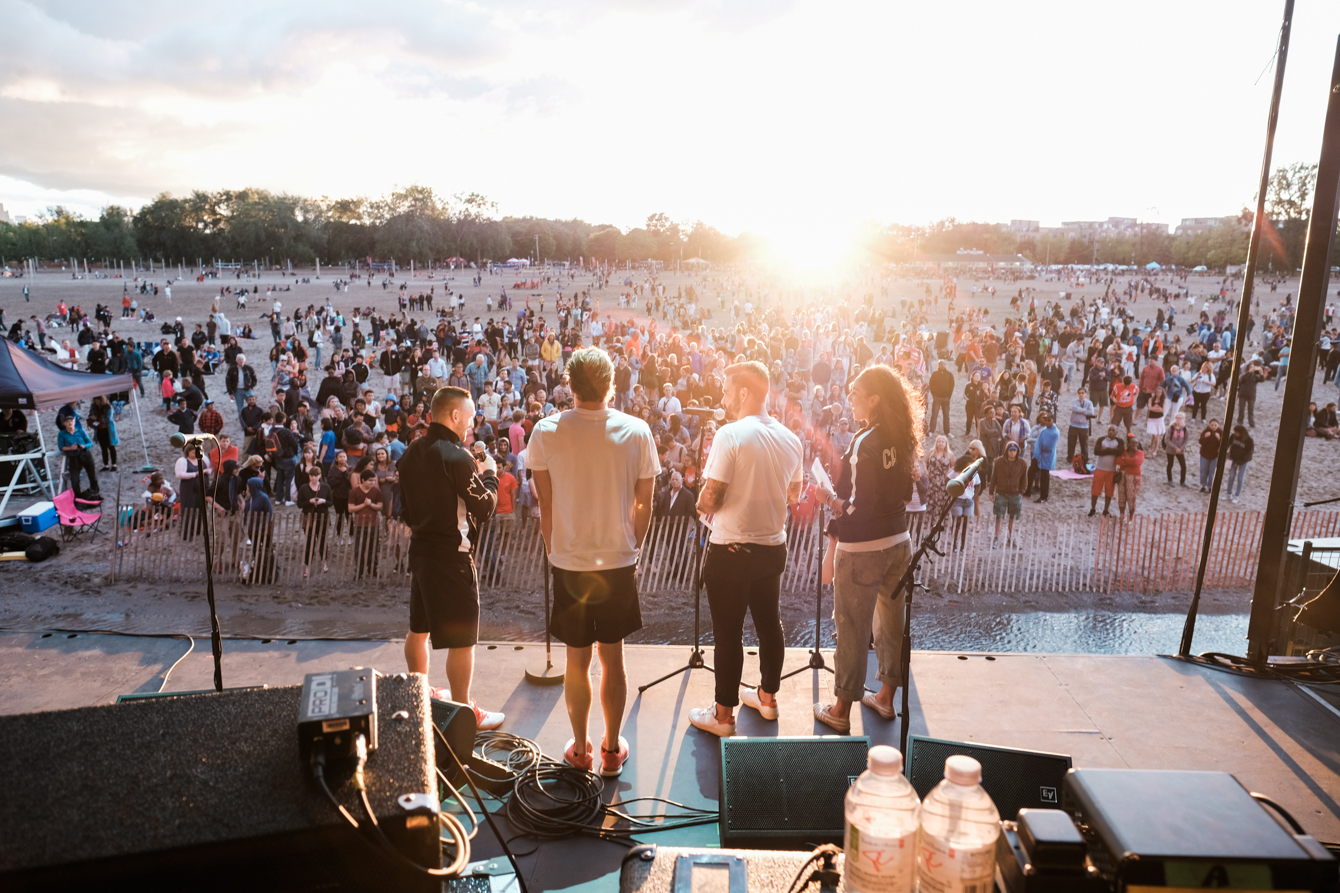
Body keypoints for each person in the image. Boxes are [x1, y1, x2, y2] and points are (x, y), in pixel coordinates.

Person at [528, 348, 659, 777]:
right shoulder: (637, 430)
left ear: (569, 384)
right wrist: (632, 548)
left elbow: (544, 502)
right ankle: (609, 750)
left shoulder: (545, 432)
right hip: (618, 560)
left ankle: (580, 751)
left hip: (569, 560)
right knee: (614, 658)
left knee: (576, 660)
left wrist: (554, 549)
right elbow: (645, 504)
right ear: (612, 384)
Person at [683, 361, 803, 738]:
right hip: (772, 547)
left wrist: (700, 500)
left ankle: (722, 717)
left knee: (728, 633)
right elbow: (794, 495)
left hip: (731, 550)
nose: (723, 397)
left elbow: (710, 499)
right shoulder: (791, 439)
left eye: (727, 389)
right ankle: (767, 699)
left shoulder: (729, 435)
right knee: (770, 625)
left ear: (745, 392)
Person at [812, 365, 922, 733]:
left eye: (856, 393)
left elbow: (859, 507)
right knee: (892, 623)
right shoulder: (903, 436)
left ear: (874, 399)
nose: (850, 399)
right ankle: (886, 698)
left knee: (852, 626)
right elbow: (905, 494)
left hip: (863, 550)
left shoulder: (865, 442)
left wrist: (829, 498)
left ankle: (841, 709)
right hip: (899, 542)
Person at [397, 385, 504, 731]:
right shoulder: (456, 456)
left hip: (422, 554)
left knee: (418, 630)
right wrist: (490, 474)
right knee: (462, 641)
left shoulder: (410, 451)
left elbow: (406, 510)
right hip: (453, 559)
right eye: (469, 418)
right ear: (455, 416)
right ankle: (463, 715)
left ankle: (420, 697)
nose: (471, 426)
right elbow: (485, 508)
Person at [297, 464, 332, 576]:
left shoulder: (325, 487)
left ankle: (324, 563)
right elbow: (299, 504)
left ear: (320, 476)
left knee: (323, 541)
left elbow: (331, 502)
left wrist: (323, 501)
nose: (313, 478)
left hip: (323, 517)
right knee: (309, 542)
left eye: (316, 475)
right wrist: (310, 502)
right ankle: (307, 566)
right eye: (311, 475)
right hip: (309, 518)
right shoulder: (304, 488)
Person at [989, 442, 1026, 547]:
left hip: (1015, 494)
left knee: (1013, 517)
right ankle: (996, 537)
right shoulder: (999, 461)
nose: (1012, 453)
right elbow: (994, 478)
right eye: (1011, 450)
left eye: (1014, 450)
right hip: (1001, 493)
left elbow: (1024, 479)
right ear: (1007, 451)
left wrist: (1021, 492)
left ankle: (1012, 537)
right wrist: (991, 492)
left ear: (1017, 451)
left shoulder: (1022, 463)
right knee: (998, 516)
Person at [348, 468, 383, 579]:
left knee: (373, 548)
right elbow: (350, 509)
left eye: (373, 480)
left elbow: (380, 506)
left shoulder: (377, 491)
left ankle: (373, 570)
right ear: (363, 480)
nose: (372, 483)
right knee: (359, 549)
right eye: (370, 480)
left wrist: (370, 504)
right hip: (359, 525)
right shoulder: (354, 492)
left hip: (374, 524)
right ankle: (359, 571)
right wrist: (364, 505)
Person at [57, 415, 99, 500]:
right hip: (73, 457)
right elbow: (61, 447)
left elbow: (90, 443)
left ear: (74, 422)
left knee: (92, 475)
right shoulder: (62, 434)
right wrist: (70, 448)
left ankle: (94, 492)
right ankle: (77, 496)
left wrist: (84, 446)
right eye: (68, 421)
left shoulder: (80, 431)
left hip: (85, 454)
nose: (70, 422)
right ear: (64, 423)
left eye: (71, 420)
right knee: (74, 479)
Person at [1089, 425, 1123, 517]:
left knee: (1109, 491)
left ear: (1117, 432)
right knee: (1095, 490)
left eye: (1113, 430)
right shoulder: (1101, 439)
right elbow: (1096, 451)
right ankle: (1092, 508)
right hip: (1099, 469)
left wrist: (1106, 450)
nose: (1111, 432)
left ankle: (1106, 510)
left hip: (1112, 471)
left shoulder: (1119, 441)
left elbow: (1120, 452)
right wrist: (1113, 451)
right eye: (1109, 430)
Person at [1115, 436, 1144, 520]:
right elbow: (1117, 461)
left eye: (1136, 443)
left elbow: (1136, 462)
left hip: (1134, 477)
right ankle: (1122, 515)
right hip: (1122, 476)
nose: (1135, 444)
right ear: (1128, 444)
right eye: (1132, 443)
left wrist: (1124, 459)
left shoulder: (1140, 453)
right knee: (1122, 497)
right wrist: (1129, 461)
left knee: (1132, 498)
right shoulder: (1123, 451)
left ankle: (1130, 518)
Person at [87, 395, 118, 472]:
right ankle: (106, 465)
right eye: (95, 400)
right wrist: (96, 418)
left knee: (111, 447)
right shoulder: (93, 406)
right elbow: (90, 415)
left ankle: (114, 464)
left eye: (97, 401)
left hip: (108, 430)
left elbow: (109, 419)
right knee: (103, 448)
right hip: (99, 430)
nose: (96, 402)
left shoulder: (108, 406)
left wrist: (97, 418)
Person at [1067, 387, 1095, 470]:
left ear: (1086, 394)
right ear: (1077, 394)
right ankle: (1069, 457)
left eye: (1083, 393)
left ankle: (1085, 458)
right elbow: (1074, 408)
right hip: (1074, 425)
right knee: (1071, 442)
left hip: (1084, 426)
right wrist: (1085, 411)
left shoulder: (1089, 403)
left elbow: (1092, 412)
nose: (1081, 394)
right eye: (1080, 393)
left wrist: (1080, 411)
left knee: (1084, 443)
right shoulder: (1074, 402)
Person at [1225, 424, 1254, 504]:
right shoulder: (1233, 436)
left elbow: (1249, 453)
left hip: (1243, 461)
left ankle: (1236, 496)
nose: (1235, 433)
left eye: (1236, 432)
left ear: (1241, 432)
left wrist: (1240, 462)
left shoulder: (1249, 440)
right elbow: (1227, 444)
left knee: (1240, 477)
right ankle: (1228, 494)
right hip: (1232, 459)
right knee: (1231, 476)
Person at [1034, 412, 1058, 503]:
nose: (1047, 422)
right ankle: (1043, 495)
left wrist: (1040, 451)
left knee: (1044, 477)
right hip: (1041, 454)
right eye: (1046, 420)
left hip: (1047, 456)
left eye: (1049, 420)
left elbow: (1048, 446)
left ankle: (1044, 496)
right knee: (1043, 476)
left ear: (1053, 421)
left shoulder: (1054, 432)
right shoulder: (1046, 430)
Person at [1165, 412, 1189, 486]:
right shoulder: (1170, 428)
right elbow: (1167, 440)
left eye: (1180, 418)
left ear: (1183, 419)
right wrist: (1175, 448)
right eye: (1177, 418)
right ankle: (1170, 480)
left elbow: (1186, 440)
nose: (1178, 419)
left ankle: (1182, 481)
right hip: (1170, 450)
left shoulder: (1185, 429)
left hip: (1180, 451)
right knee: (1170, 464)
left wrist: (1181, 448)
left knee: (1183, 466)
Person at [1198, 419, 1223, 492]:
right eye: (1212, 425)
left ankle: (1210, 487)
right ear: (1209, 425)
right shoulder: (1206, 431)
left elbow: (1224, 445)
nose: (1214, 427)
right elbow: (1200, 442)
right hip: (1204, 454)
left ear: (1218, 425)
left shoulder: (1221, 432)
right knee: (1203, 471)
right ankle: (1203, 485)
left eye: (1215, 425)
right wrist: (1205, 437)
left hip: (1215, 455)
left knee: (1212, 472)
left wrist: (1219, 438)